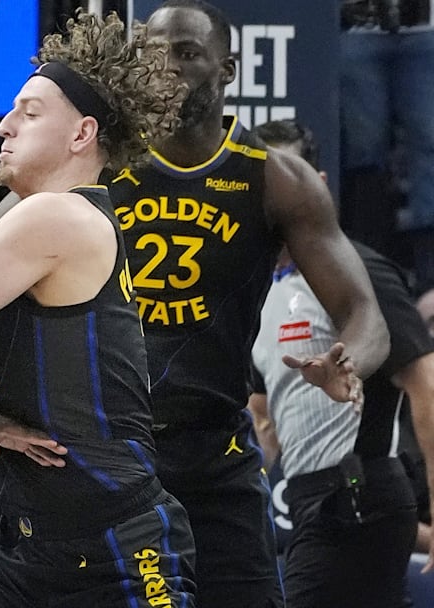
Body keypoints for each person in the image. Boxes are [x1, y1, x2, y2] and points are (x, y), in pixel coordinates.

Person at [0, 11, 196, 606]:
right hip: (32, 550)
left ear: (81, 134)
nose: (5, 125)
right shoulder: (25, 221)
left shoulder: (56, 215)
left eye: (29, 113)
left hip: (115, 548)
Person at [103, 2, 390, 606]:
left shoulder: (277, 179)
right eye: (155, 54)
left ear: (227, 69)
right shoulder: (102, 163)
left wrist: (348, 362)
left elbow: (364, 314)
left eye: (187, 53)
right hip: (114, 452)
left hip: (216, 453)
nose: (168, 69)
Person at [246, 118, 434, 607]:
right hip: (308, 501)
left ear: (317, 185)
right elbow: (262, 415)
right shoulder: (259, 289)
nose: (276, 198)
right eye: (264, 184)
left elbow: (426, 385)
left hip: (358, 497)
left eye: (289, 178)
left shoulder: (359, 271)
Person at [338, 0, 434, 281]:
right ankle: (368, 267)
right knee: (363, 149)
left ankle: (429, 276)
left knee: (429, 144)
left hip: (425, 28)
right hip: (357, 27)